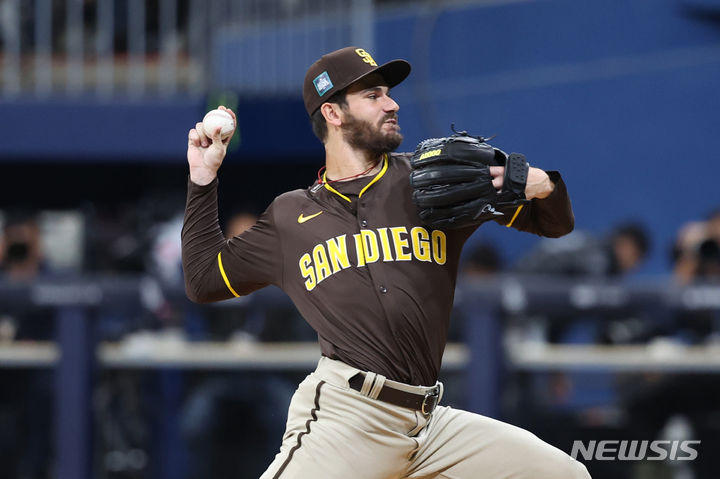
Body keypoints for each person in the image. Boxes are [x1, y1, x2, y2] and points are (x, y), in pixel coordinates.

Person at [181, 46, 589, 478]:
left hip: (430, 425)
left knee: (565, 474)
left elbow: (553, 224)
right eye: (373, 95)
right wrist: (202, 180)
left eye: (387, 93)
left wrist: (543, 186)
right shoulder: (290, 216)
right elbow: (204, 280)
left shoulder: (432, 178)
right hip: (348, 416)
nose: (392, 103)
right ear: (333, 113)